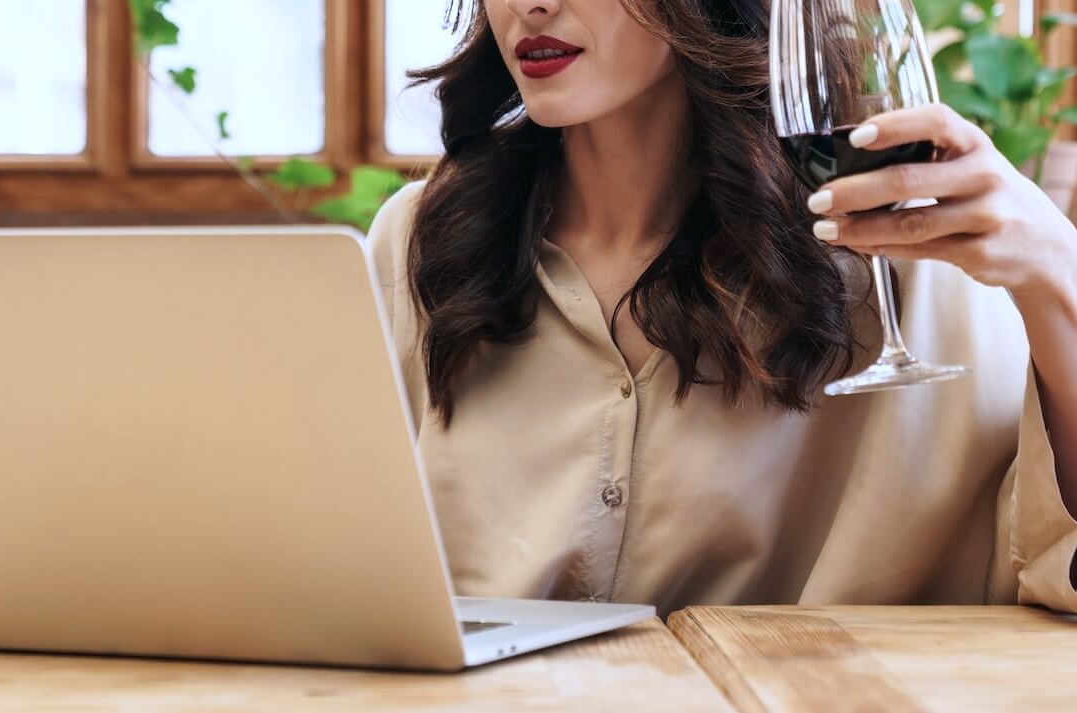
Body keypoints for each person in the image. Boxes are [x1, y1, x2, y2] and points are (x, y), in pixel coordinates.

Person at [368, 0, 1077, 617]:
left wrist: (1058, 275)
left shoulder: (906, 259)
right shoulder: (418, 245)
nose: (530, 4)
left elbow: (1055, 569)